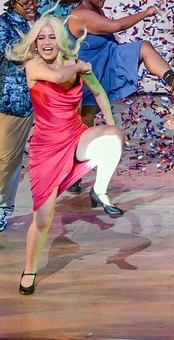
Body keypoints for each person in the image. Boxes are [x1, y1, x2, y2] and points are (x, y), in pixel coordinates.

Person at [8, 16, 125, 295]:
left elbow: (99, 92)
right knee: (43, 219)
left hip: (75, 136)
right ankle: (30, 269)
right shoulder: (34, 65)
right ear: (35, 43)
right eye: (41, 38)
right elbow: (59, 77)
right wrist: (80, 66)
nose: (46, 42)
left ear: (60, 40)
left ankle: (99, 190)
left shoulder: (75, 65)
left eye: (51, 37)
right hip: (46, 148)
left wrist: (111, 123)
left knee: (114, 137)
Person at [50, 0, 174, 125]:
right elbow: (115, 26)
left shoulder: (96, 10)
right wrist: (145, 13)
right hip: (90, 71)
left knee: (143, 47)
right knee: (86, 118)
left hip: (107, 61)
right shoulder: (81, 15)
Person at [0, 0, 40, 232]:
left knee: (9, 159)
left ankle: (2, 208)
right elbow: (7, 52)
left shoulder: (40, 23)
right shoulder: (4, 24)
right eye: (26, 2)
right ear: (13, 3)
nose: (32, 7)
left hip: (28, 101)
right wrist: (33, 45)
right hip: (9, 98)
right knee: (5, 158)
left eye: (35, 1)